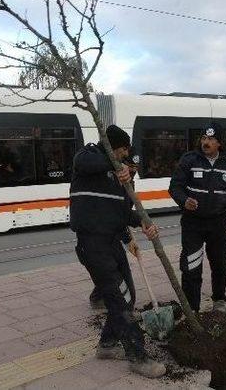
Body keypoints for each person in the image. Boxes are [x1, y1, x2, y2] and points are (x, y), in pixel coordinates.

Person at [70, 125, 165, 378]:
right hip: (92, 244)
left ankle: (107, 345)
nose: (124, 155)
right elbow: (85, 161)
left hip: (112, 242)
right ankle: (137, 356)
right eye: (122, 150)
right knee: (119, 300)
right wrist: (115, 165)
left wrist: (143, 222)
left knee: (128, 296)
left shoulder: (118, 179)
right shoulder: (88, 158)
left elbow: (123, 213)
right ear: (111, 146)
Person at [168, 122, 226, 313]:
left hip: (218, 224)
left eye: (211, 139)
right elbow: (174, 187)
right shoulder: (189, 160)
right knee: (191, 265)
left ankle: (219, 300)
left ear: (219, 143)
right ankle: (192, 308)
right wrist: (184, 200)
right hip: (193, 223)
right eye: (204, 138)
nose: (206, 142)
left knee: (220, 265)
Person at [89, 147, 140, 311]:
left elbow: (124, 214)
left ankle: (101, 295)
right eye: (130, 167)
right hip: (101, 236)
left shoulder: (130, 182)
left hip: (116, 233)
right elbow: (114, 214)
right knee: (112, 270)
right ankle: (99, 298)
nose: (132, 172)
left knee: (115, 270)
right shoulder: (110, 180)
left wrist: (128, 239)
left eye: (135, 170)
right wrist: (126, 237)